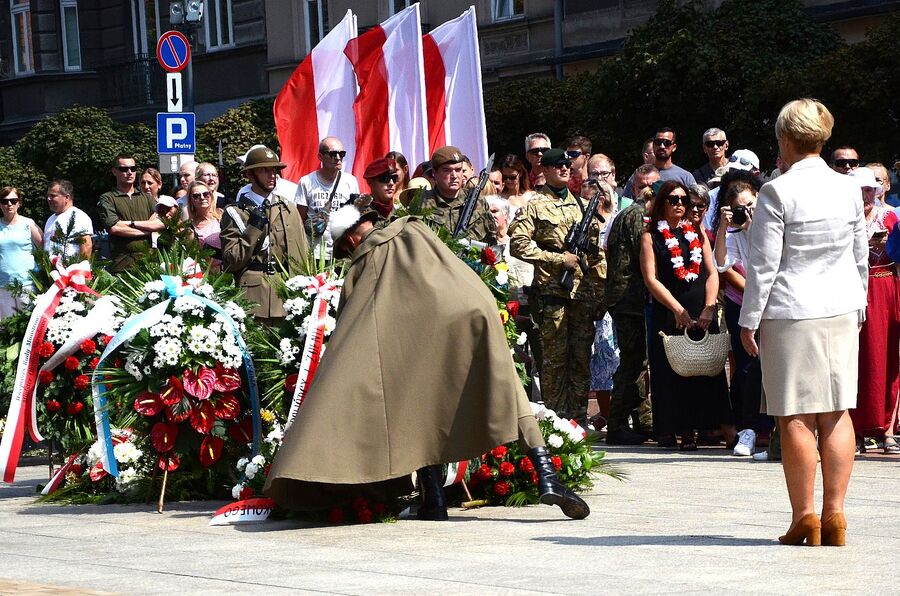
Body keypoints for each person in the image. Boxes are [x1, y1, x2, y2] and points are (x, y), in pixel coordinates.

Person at [264, 202, 590, 521]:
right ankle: (546, 474)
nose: (349, 256)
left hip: (419, 339)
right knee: (510, 390)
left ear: (350, 241)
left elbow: (351, 331)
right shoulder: (414, 229)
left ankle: (434, 498)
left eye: (346, 251)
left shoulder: (363, 264)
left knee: (416, 405)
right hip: (472, 313)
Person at [740, 99, 867, 547]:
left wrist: (748, 320)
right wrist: (860, 306)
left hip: (792, 310)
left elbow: (763, 266)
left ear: (786, 140)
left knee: (794, 415)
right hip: (840, 309)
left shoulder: (777, 190)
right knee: (837, 410)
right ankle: (835, 514)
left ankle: (805, 517)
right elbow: (859, 256)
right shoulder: (849, 188)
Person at [509, 148, 603, 424]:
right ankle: (555, 420)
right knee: (553, 361)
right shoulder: (534, 205)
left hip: (581, 295)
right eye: (557, 165)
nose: (564, 169)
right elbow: (518, 244)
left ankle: (578, 418)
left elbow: (596, 255)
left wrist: (599, 293)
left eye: (567, 165)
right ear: (544, 171)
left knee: (580, 358)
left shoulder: (582, 206)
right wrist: (558, 258)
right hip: (552, 293)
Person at [640, 181, 728, 450]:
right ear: (661, 204)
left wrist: (709, 307)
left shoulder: (697, 232)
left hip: (702, 311)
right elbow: (651, 279)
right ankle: (673, 429)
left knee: (702, 370)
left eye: (684, 201)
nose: (680, 205)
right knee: (669, 373)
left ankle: (703, 428)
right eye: (673, 200)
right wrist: (677, 310)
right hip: (669, 312)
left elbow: (712, 273)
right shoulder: (650, 236)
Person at [713, 181, 772, 457]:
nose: (746, 212)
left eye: (750, 205)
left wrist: (751, 226)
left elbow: (771, 256)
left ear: (759, 198)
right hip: (747, 303)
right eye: (740, 208)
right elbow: (722, 263)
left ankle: (774, 434)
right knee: (748, 368)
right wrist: (726, 227)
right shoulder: (734, 230)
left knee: (772, 368)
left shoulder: (772, 219)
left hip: (775, 303)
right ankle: (747, 429)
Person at [220, 146, 309, 324]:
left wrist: (303, 291)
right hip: (252, 297)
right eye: (264, 170)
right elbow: (232, 261)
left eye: (274, 170)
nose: (272, 175)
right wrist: (253, 228)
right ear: (250, 175)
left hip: (286, 294)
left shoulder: (288, 208)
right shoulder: (235, 212)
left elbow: (302, 253)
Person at [847, 167, 899, 454]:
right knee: (854, 359)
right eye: (861, 190)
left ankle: (887, 429)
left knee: (886, 357)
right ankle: (852, 428)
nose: (866, 195)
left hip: (884, 286)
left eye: (870, 190)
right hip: (852, 287)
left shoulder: (889, 217)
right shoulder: (842, 219)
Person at [415, 146, 496, 244]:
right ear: (434, 173)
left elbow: (491, 242)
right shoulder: (422, 202)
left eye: (458, 170)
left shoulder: (478, 202)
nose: (454, 176)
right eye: (447, 170)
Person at [294, 136, 360, 258]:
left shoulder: (351, 181)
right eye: (333, 154)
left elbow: (355, 216)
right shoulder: (306, 182)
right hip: (315, 253)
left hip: (342, 253)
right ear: (320, 157)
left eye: (342, 154)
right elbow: (299, 220)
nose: (338, 158)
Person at [98, 154, 163, 273]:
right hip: (122, 266)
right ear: (114, 171)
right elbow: (115, 228)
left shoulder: (147, 198)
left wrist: (131, 223)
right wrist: (148, 229)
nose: (129, 172)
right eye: (124, 169)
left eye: (133, 169)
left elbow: (160, 223)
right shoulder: (108, 198)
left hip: (149, 265)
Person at [0, 187, 41, 318]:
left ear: (19, 203)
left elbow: (45, 249)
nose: (9, 204)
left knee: (28, 327)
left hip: (26, 284)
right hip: (3, 286)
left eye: (13, 200)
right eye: (4, 201)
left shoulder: (28, 224)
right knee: (6, 330)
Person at [623, 127, 696, 198]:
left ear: (674, 147)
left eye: (667, 143)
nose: (662, 146)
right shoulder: (640, 176)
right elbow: (626, 203)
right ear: (653, 145)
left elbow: (695, 203)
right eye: (658, 142)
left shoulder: (685, 177)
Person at [43, 180, 93, 262]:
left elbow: (86, 246)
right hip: (51, 271)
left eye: (53, 196)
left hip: (70, 271)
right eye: (48, 195)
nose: (48, 199)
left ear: (66, 197)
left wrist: (80, 270)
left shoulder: (78, 216)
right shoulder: (50, 219)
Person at [186, 180, 223, 271]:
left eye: (206, 194)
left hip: (227, 270)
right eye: (196, 196)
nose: (202, 198)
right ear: (191, 200)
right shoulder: (189, 227)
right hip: (205, 274)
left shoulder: (222, 217)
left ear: (211, 196)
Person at [498, 154, 534, 219]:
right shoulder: (499, 198)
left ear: (520, 173)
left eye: (512, 177)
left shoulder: (530, 196)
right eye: (505, 177)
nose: (508, 181)